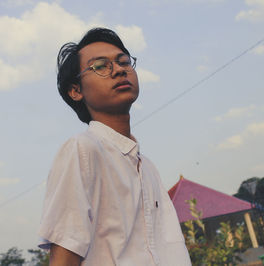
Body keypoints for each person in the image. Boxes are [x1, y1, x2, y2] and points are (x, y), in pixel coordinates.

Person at [38, 28, 191, 266]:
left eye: (124, 62)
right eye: (100, 66)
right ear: (76, 91)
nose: (119, 69)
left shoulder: (147, 167)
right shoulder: (82, 150)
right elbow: (64, 257)